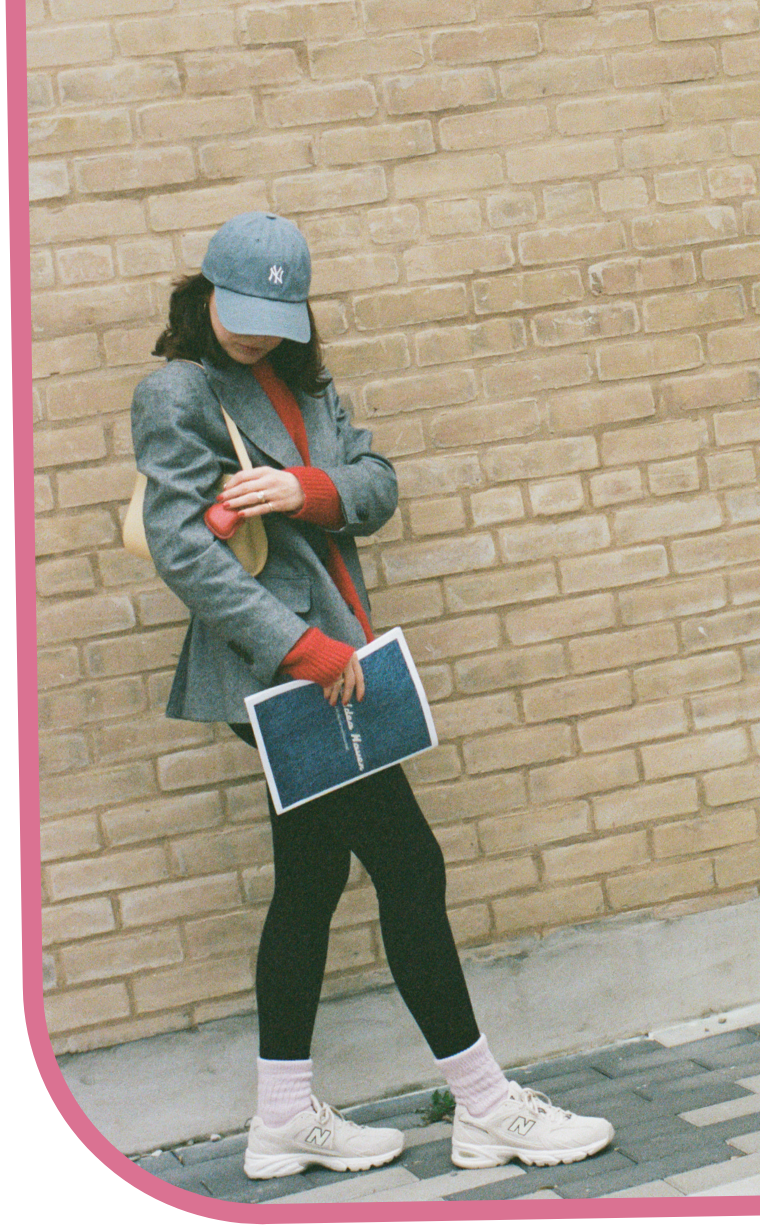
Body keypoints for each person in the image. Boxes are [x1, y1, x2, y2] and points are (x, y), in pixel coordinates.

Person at [130, 211, 614, 1180]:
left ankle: (280, 1117)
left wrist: (303, 488)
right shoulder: (176, 389)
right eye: (241, 310)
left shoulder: (305, 378)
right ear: (204, 293)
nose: (257, 330)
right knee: (410, 861)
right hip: (289, 674)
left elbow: (375, 483)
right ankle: (483, 1105)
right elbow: (183, 544)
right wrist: (298, 646)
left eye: (277, 312)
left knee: (310, 881)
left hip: (342, 658)